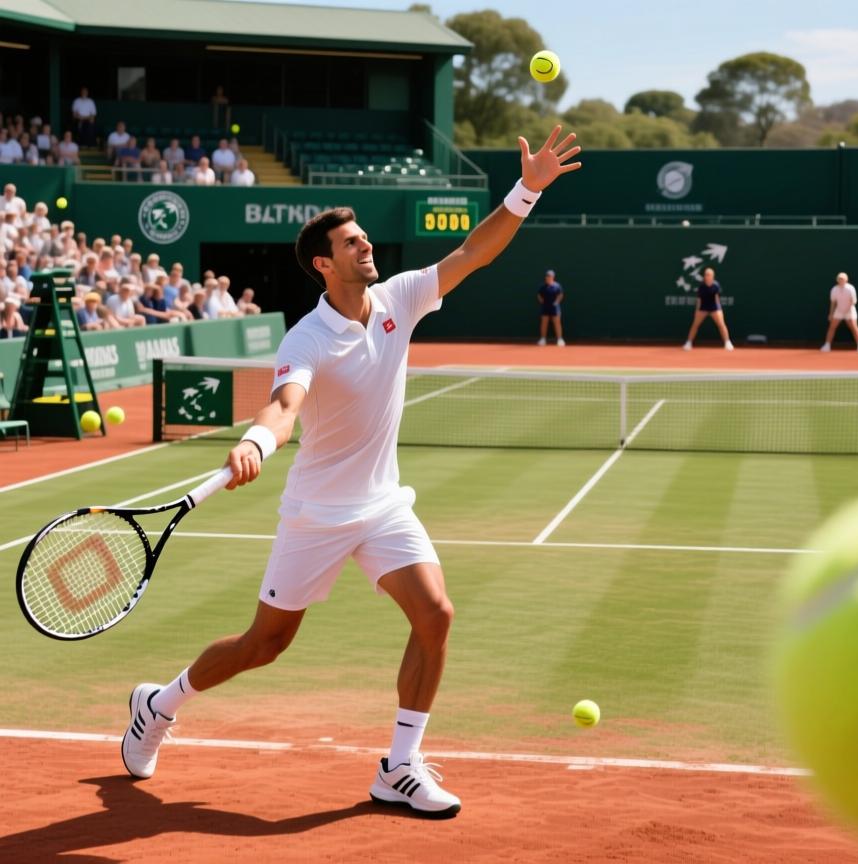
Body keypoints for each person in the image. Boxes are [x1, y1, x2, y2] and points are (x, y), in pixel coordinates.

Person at [119, 125, 582, 818]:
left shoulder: (399, 298)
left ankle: (399, 765)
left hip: (383, 504)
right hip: (317, 513)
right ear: (323, 265)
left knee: (435, 614)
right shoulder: (306, 337)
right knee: (264, 644)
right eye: (352, 244)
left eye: (365, 239)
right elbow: (284, 404)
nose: (366, 246)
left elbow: (473, 252)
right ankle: (159, 704)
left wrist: (528, 189)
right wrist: (256, 441)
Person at [682, 267, 734, 351]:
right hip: (703, 307)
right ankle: (689, 343)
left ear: (713, 276)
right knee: (695, 325)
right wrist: (697, 310)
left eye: (709, 274)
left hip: (714, 307)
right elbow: (699, 299)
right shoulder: (701, 286)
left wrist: (719, 309)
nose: (707, 276)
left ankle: (727, 343)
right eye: (706, 274)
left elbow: (717, 298)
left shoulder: (716, 285)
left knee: (721, 324)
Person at [821, 271, 858, 353]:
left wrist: (847, 310)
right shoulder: (834, 289)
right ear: (837, 280)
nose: (840, 280)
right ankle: (827, 345)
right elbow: (833, 303)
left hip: (850, 310)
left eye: (842, 278)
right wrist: (831, 313)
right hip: (839, 311)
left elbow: (854, 301)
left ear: (846, 279)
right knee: (832, 327)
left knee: (854, 327)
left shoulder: (851, 288)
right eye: (839, 278)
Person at [535, 269, 565, 346]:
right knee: (544, 323)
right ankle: (543, 339)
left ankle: (560, 339)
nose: (548, 277)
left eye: (550, 276)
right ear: (546, 277)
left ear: (553, 277)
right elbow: (539, 295)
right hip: (545, 307)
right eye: (547, 276)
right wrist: (542, 302)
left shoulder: (557, 286)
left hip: (555, 307)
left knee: (557, 323)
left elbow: (560, 295)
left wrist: (556, 302)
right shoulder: (542, 286)